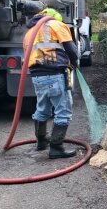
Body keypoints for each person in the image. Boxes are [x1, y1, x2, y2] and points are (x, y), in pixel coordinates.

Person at [23, 8, 79, 159]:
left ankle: (41, 142)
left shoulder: (29, 33)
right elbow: (71, 49)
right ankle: (56, 147)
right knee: (63, 111)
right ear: (54, 17)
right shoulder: (56, 25)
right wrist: (74, 63)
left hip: (37, 77)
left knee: (42, 109)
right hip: (55, 74)